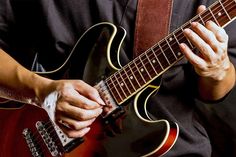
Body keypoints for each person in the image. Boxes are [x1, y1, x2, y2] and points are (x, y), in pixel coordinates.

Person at [0, 0, 235, 156]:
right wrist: (42, 92)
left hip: (165, 147)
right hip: (36, 135)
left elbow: (216, 90)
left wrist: (217, 70)